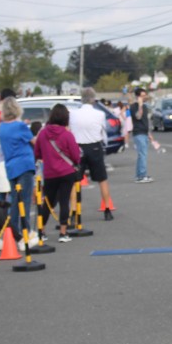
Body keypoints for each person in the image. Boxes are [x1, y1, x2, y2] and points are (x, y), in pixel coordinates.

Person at [34, 104, 83, 240]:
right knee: (64, 201)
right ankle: (63, 232)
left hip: (50, 172)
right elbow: (76, 155)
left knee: (48, 202)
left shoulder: (43, 133)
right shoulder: (67, 134)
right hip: (66, 172)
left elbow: (37, 153)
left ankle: (41, 231)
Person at [0, 97, 38, 249]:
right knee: (25, 201)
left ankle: (13, 232)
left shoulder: (2, 128)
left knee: (15, 201)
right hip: (24, 164)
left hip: (11, 166)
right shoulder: (20, 126)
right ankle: (25, 233)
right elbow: (33, 142)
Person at [70, 88, 117, 216]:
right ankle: (107, 209)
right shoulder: (99, 114)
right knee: (102, 179)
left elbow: (71, 131)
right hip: (95, 146)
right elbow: (103, 132)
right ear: (93, 99)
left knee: (75, 181)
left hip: (78, 147)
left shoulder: (73, 113)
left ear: (81, 98)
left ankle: (73, 210)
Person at [130, 87, 153, 183]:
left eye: (145, 95)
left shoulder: (145, 107)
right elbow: (138, 117)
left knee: (141, 155)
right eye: (143, 96)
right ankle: (142, 176)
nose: (145, 97)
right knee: (143, 155)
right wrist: (139, 105)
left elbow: (145, 121)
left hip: (144, 133)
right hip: (138, 133)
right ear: (138, 97)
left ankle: (139, 175)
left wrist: (149, 133)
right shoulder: (134, 106)